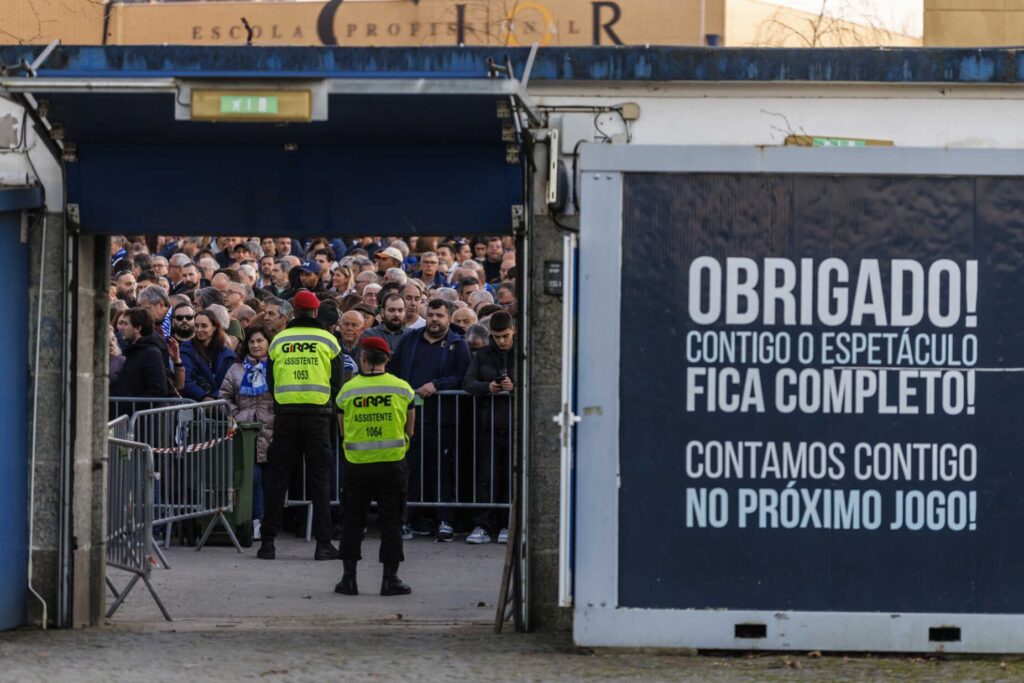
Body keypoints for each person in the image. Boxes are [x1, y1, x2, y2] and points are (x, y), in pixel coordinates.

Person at [258, 290, 344, 562]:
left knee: (278, 478)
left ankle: (268, 543)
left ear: (293, 313)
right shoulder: (328, 340)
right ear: (316, 313)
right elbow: (338, 382)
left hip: (286, 416)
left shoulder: (279, 340)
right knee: (320, 480)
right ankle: (323, 544)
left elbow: (270, 382)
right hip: (318, 416)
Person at [334, 336, 415, 597]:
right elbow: (410, 429)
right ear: (388, 359)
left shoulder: (347, 390)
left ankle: (349, 579)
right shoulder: (403, 389)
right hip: (392, 464)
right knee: (392, 521)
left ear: (363, 358)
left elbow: (342, 429)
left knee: (352, 521)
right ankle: (390, 579)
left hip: (357, 465)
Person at [389, 299, 471, 541]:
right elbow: (394, 370)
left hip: (442, 419)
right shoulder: (410, 339)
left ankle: (445, 520)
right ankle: (409, 519)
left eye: (440, 316)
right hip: (410, 418)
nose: (434, 319)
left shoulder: (458, 344)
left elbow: (463, 376)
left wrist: (438, 385)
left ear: (449, 319)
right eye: (432, 315)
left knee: (441, 471)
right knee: (409, 470)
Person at [462, 310, 515, 544]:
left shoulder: (522, 353)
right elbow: (468, 382)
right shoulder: (483, 355)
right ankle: (482, 524)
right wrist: (487, 387)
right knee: (486, 476)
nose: (501, 341)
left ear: (513, 331)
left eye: (505, 336)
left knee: (509, 477)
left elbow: (536, 382)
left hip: (514, 426)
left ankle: (507, 523)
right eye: (496, 336)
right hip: (488, 424)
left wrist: (514, 387)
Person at [219, 326, 275, 542]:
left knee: (270, 478)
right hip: (244, 430)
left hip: (270, 428)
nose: (256, 345)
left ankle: (269, 521)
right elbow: (224, 396)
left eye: (260, 341)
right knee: (254, 477)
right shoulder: (236, 369)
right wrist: (237, 414)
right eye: (251, 342)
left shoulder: (276, 367)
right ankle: (256, 520)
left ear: (268, 342)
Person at [111, 308, 168, 402]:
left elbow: (158, 390)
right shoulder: (132, 352)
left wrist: (131, 407)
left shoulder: (151, 354)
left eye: (125, 324)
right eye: (120, 323)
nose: (120, 328)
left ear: (137, 328)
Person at [180, 310, 235, 401]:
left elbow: (230, 382)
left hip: (221, 403)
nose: (199, 330)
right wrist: (203, 397)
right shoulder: (187, 349)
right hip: (196, 403)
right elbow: (185, 379)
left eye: (204, 326)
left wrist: (216, 398)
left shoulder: (227, 354)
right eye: (196, 326)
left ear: (215, 327)